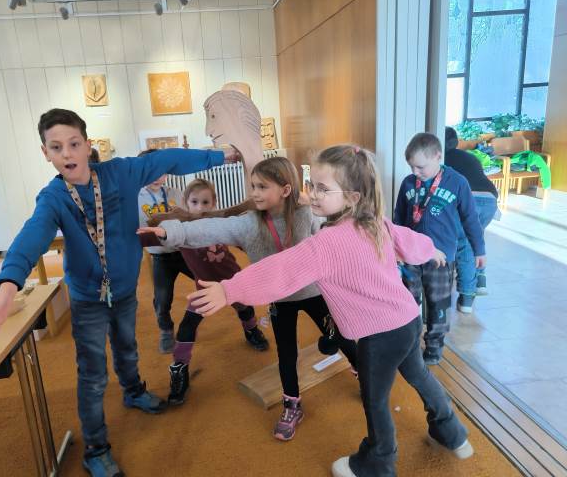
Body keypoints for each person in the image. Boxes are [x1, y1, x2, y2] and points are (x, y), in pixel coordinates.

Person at [0, 108, 238, 477]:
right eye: (56, 147)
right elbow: (31, 236)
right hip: (87, 298)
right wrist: (7, 288)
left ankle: (133, 390)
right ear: (45, 153)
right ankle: (96, 449)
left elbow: (168, 159)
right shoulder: (53, 198)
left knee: (127, 345)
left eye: (74, 144)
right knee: (93, 374)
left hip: (124, 289)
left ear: (87, 145)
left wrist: (220, 156)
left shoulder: (120, 173)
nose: (67, 154)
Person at [186, 144, 473, 477]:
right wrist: (431, 249)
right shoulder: (373, 221)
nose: (313, 194)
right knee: (420, 376)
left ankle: (378, 462)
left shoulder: (327, 243)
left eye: (323, 189)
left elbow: (282, 269)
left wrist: (229, 289)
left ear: (351, 197)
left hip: (379, 336)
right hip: (407, 321)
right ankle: (452, 434)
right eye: (312, 185)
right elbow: (408, 240)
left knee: (375, 400)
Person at [140, 157, 358, 441]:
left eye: (262, 187)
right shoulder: (248, 223)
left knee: (341, 336)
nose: (253, 192)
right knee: (286, 354)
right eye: (252, 186)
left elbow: (329, 238)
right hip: (279, 299)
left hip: (313, 292)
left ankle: (362, 372)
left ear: (285, 190)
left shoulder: (306, 214)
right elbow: (210, 228)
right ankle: (292, 404)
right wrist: (171, 231)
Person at [141, 178, 269, 406]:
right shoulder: (180, 229)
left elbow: (244, 238)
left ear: (214, 204)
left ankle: (251, 331)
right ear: (186, 203)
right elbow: (151, 234)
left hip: (232, 283)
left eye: (205, 202)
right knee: (187, 326)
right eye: (194, 202)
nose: (200, 207)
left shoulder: (219, 224)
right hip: (205, 289)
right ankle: (180, 368)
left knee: (245, 309)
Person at [394, 132, 485, 365]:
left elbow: (470, 219)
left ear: (437, 156)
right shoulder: (408, 183)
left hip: (441, 258)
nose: (415, 172)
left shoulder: (457, 182)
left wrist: (479, 249)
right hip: (411, 256)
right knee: (407, 302)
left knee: (438, 304)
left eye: (420, 167)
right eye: (411, 167)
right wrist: (397, 250)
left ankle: (434, 347)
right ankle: (408, 346)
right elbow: (399, 219)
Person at [137, 154, 193, 353]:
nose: (156, 176)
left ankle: (248, 322)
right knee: (162, 299)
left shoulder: (176, 193)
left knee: (213, 281)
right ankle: (166, 330)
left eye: (160, 171)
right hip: (160, 257)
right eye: (150, 171)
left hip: (184, 251)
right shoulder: (135, 197)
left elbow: (190, 219)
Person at [444, 126, 499, 312]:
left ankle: (467, 297)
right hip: (490, 200)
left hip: (469, 200)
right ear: (456, 142)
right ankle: (481, 280)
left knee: (464, 246)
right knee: (476, 236)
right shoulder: (470, 157)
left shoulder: (440, 159)